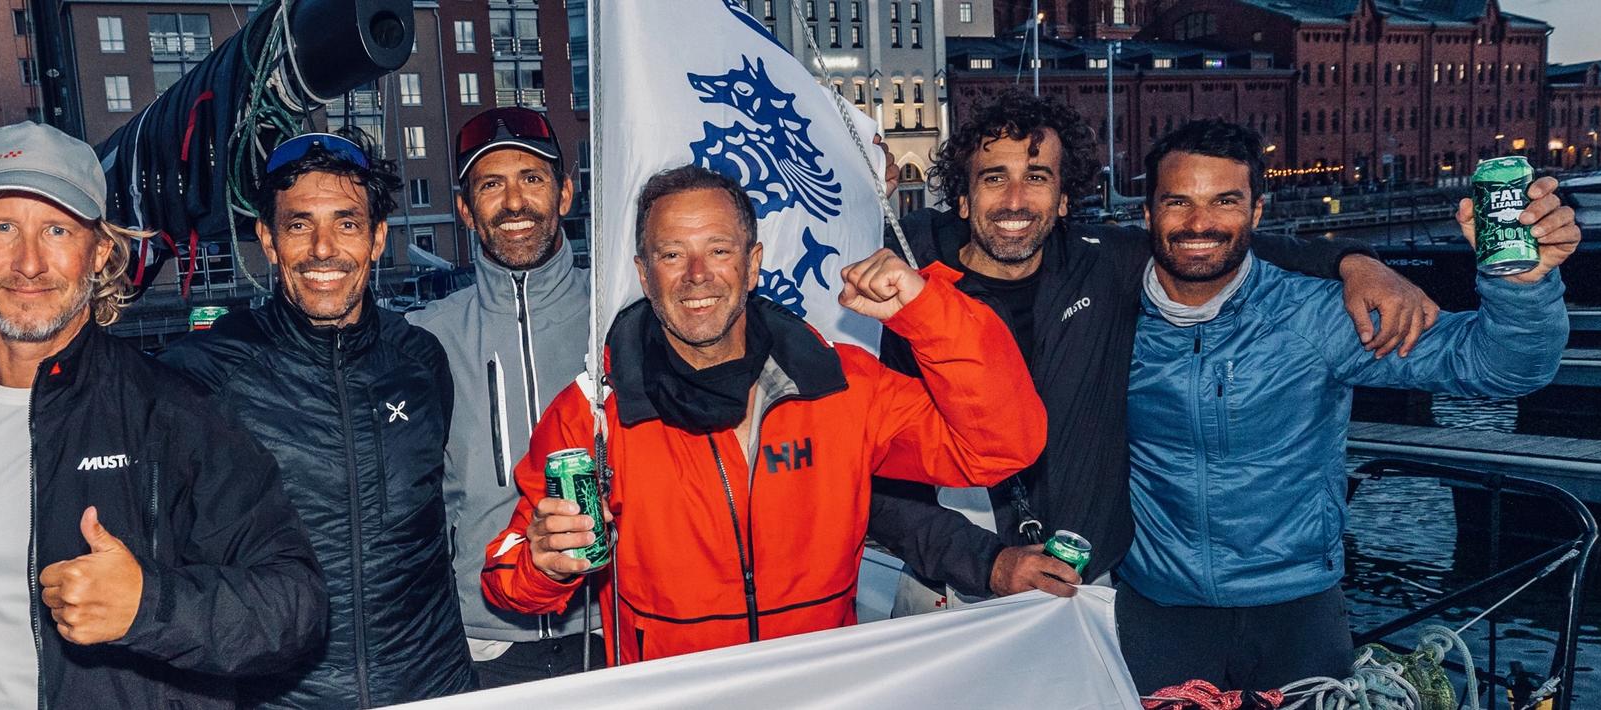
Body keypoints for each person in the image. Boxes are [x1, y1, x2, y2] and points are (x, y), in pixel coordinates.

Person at [0, 132, 474, 707]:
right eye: (298, 225)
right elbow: (67, 363)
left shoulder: (420, 362)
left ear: (376, 241)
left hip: (435, 687)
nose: (323, 248)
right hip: (281, 696)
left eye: (346, 223)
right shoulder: (203, 374)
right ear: (268, 241)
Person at [862, 94, 1439, 612]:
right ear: (961, 200)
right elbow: (874, 478)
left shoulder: (1106, 265)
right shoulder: (907, 301)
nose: (1016, 199)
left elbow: (1215, 242)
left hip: (1085, 591)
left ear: (1064, 200)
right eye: (993, 178)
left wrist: (1356, 262)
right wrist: (987, 562)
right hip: (951, 593)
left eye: (1038, 177)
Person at [0, 122, 327, 710]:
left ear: (100, 251)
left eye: (58, 229)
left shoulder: (175, 413)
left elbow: (296, 607)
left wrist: (150, 606)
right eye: (4, 227)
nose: (30, 262)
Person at [482, 165, 1047, 664]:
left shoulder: (840, 386)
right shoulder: (594, 413)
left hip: (818, 689)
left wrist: (929, 313)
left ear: (753, 264)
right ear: (644, 272)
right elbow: (503, 575)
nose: (697, 273)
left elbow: (1001, 446)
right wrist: (543, 563)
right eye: (672, 254)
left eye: (719, 250)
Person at [1117, 120, 1576, 692]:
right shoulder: (1105, 317)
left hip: (1297, 606)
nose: (1199, 222)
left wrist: (1523, 284)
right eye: (1177, 201)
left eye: (1225, 201)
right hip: (1156, 605)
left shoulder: (1318, 316)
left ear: (1257, 213)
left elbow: (1498, 367)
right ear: (1147, 214)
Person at [402, 107, 600, 687]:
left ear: (565, 194)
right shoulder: (422, 337)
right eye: (491, 184)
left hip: (612, 623)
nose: (514, 202)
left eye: (532, 179)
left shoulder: (620, 313)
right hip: (482, 640)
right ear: (465, 209)